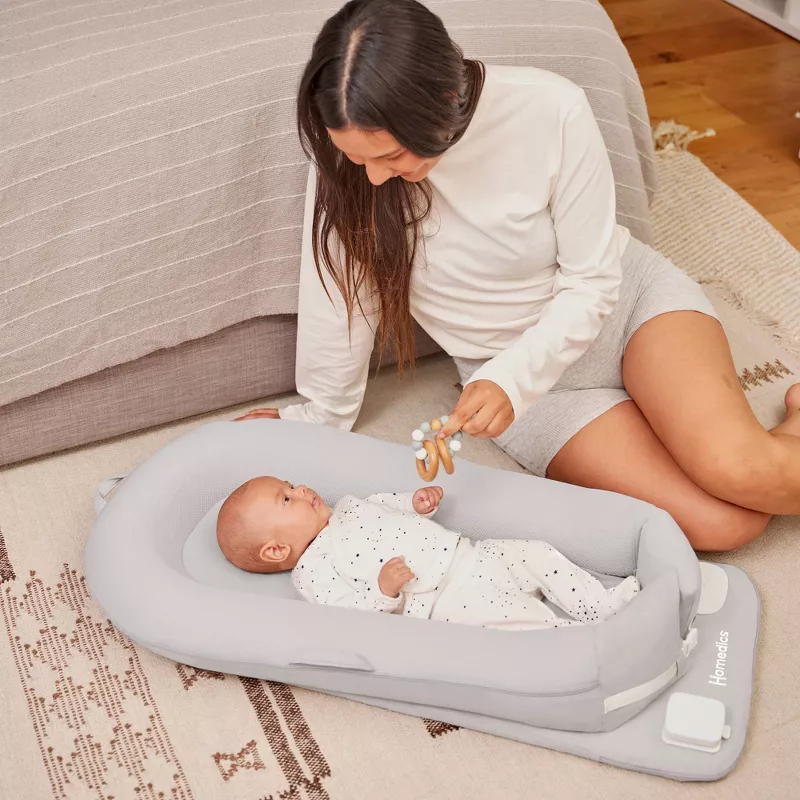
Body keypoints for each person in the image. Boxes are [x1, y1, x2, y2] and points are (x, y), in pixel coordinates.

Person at [236, 0, 800, 551]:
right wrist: (321, 414)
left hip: (626, 313)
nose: (375, 178)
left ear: (445, 102)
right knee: (726, 524)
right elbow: (341, 296)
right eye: (360, 159)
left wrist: (511, 379)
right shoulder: (353, 158)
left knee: (742, 470)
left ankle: (762, 448)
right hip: (527, 391)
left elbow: (593, 282)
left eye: (392, 156)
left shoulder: (550, 108)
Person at [216, 477, 640, 630]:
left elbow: (387, 504)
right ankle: (584, 642)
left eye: (291, 484)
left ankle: (597, 605)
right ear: (276, 549)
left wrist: (417, 503)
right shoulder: (312, 572)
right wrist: (383, 591)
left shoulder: (347, 506)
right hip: (447, 600)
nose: (301, 489)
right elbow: (345, 616)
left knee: (538, 554)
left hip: (472, 554)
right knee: (521, 620)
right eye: (286, 499)